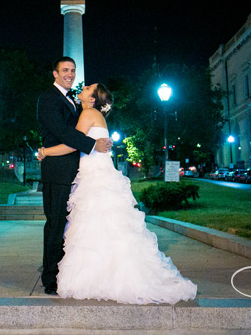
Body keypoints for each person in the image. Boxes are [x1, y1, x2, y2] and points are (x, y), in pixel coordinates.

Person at [37, 83, 197, 305]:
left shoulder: (89, 113)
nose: (83, 86)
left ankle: (100, 277)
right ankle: (107, 274)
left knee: (94, 225)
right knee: (103, 227)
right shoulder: (89, 113)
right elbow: (81, 142)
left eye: (89, 87)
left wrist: (45, 151)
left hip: (94, 176)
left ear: (92, 99)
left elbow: (73, 144)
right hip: (97, 173)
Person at [37, 57, 112, 295]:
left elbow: (80, 128)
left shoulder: (76, 105)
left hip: (77, 173)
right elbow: (61, 132)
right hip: (57, 172)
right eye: (65, 70)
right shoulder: (48, 98)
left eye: (73, 70)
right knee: (56, 223)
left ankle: (68, 272)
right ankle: (51, 278)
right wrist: (93, 144)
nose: (70, 74)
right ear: (55, 74)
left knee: (71, 227)